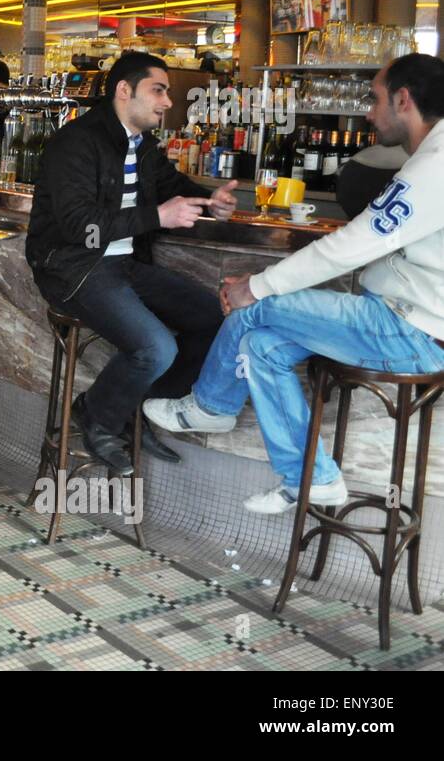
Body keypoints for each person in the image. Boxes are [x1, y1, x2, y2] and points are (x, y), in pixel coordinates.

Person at [144, 54, 444, 513]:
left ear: (404, 100)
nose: (367, 112)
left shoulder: (437, 164)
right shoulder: (431, 156)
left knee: (256, 308)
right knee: (261, 345)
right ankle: (313, 478)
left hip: (410, 330)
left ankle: (209, 406)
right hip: (403, 322)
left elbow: (353, 243)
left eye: (375, 99)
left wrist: (255, 287)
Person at [25, 51, 237, 474]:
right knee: (156, 347)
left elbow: (170, 185)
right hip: (72, 266)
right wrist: (157, 216)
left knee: (216, 320)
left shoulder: (142, 146)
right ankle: (97, 416)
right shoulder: (76, 142)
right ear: (125, 90)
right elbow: (76, 226)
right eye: (158, 90)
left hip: (124, 265)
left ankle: (129, 414)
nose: (167, 102)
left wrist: (211, 201)